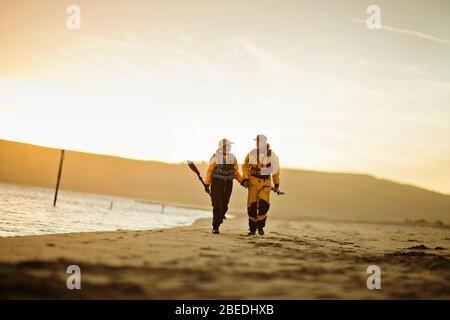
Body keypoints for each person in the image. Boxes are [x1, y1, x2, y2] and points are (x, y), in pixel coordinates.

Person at [204, 138, 245, 234]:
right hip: (216, 183)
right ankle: (215, 227)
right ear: (221, 147)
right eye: (227, 145)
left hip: (228, 184)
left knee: (224, 205)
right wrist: (206, 184)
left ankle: (220, 216)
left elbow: (235, 172)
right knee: (217, 205)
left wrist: (243, 182)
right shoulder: (215, 157)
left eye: (229, 146)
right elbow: (210, 171)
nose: (229, 147)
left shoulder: (233, 158)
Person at [242, 134, 280, 235]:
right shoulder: (252, 153)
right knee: (251, 206)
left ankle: (260, 226)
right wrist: (245, 178)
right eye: (257, 142)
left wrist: (276, 184)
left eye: (260, 141)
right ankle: (252, 229)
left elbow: (276, 170)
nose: (258, 143)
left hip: (265, 183)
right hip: (253, 182)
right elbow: (245, 166)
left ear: (265, 142)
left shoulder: (272, 155)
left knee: (264, 205)